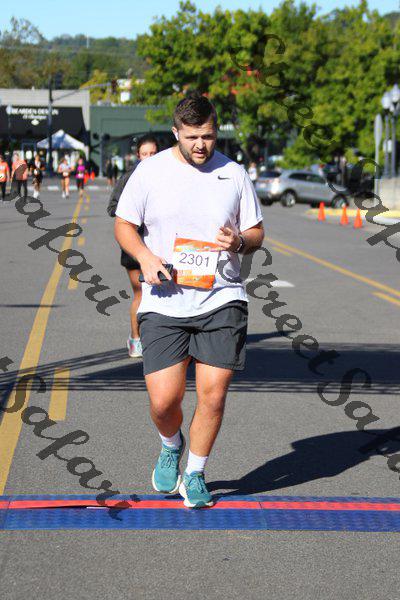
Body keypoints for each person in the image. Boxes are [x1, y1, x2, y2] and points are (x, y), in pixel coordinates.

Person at [115, 93, 264, 508]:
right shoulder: (150, 172)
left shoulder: (234, 174)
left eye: (209, 136)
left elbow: (256, 231)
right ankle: (170, 443)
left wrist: (240, 241)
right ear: (176, 133)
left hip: (222, 297)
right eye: (193, 136)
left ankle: (195, 473)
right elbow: (124, 224)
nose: (201, 145)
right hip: (165, 300)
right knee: (165, 401)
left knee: (213, 395)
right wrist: (145, 257)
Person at [108, 135, 159, 358]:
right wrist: (134, 213)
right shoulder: (129, 178)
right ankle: (136, 339)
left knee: (163, 295)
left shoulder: (168, 176)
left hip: (160, 246)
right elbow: (112, 207)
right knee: (141, 293)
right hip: (134, 245)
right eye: (145, 154)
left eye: (153, 153)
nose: (149, 158)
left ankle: (161, 340)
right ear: (138, 155)